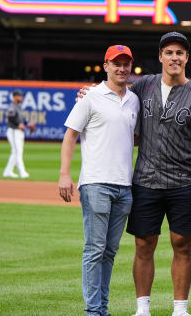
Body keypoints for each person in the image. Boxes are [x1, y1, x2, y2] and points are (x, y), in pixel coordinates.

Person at [80, 32, 191, 316]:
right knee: (144, 243)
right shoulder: (143, 86)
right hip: (145, 180)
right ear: (160, 57)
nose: (174, 57)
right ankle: (142, 308)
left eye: (180, 53)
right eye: (169, 52)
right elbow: (113, 91)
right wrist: (89, 92)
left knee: (182, 244)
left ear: (186, 58)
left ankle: (180, 309)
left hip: (184, 182)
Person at [59, 45, 140, 316]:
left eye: (126, 63)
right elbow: (71, 134)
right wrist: (64, 174)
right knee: (94, 250)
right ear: (105, 65)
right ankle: (93, 311)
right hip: (95, 183)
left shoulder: (134, 100)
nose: (122, 68)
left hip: (124, 186)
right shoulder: (91, 96)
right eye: (116, 63)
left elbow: (134, 137)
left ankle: (101, 309)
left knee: (109, 252)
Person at [3, 89, 31, 178]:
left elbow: (22, 119)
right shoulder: (12, 106)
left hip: (18, 132)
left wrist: (27, 124)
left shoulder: (18, 106)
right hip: (14, 131)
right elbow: (10, 117)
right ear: (15, 97)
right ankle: (22, 172)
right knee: (17, 152)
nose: (22, 97)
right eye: (20, 95)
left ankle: (8, 171)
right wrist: (18, 124)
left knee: (16, 152)